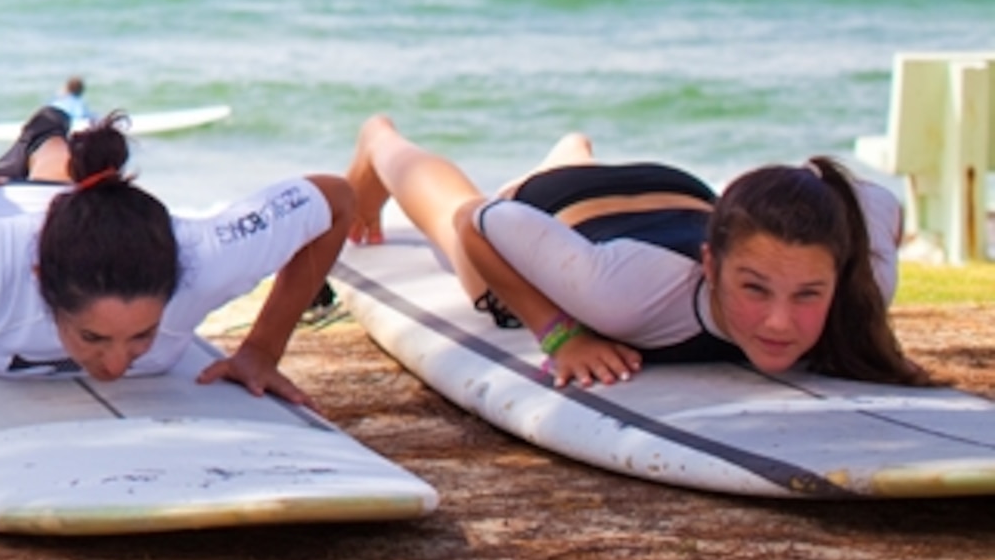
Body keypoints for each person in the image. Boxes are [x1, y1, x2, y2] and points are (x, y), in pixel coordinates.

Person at [0, 115, 354, 429]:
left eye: (143, 336)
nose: (116, 363)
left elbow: (333, 197)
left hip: (82, 205)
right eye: (93, 337)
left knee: (61, 178)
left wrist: (261, 350)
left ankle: (47, 141)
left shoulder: (201, 261)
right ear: (40, 282)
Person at [344, 116, 931, 388]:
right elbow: (481, 225)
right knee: (459, 221)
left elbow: (879, 203)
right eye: (753, 288)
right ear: (711, 263)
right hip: (561, 207)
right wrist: (559, 333)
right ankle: (382, 142)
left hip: (678, 195)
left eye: (808, 294)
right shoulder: (623, 295)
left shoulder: (861, 282)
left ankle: (573, 148)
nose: (781, 321)